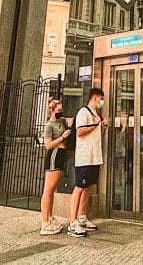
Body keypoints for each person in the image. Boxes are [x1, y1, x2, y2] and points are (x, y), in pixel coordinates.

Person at [67, 87, 105, 238]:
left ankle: (82, 217)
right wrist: (95, 124)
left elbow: (95, 134)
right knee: (79, 188)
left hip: (95, 156)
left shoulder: (96, 114)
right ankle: (72, 222)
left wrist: (102, 127)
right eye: (101, 99)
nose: (102, 102)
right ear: (95, 98)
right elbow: (80, 132)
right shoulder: (83, 112)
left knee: (88, 187)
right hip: (84, 157)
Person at [39, 100, 69, 235]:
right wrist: (62, 137)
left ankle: (50, 217)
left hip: (62, 154)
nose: (60, 112)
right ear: (52, 110)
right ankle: (45, 222)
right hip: (54, 154)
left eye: (61, 109)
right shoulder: (49, 126)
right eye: (58, 110)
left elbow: (71, 121)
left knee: (52, 189)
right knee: (48, 190)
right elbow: (48, 145)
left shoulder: (61, 121)